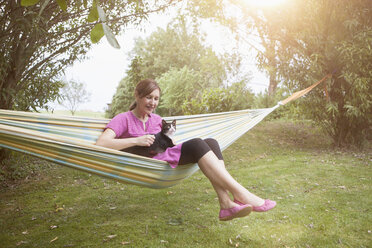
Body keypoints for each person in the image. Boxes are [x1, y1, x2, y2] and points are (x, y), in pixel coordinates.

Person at [96, 79, 276, 221]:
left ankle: (226, 203)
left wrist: (170, 141)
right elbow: (101, 144)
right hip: (144, 162)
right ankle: (241, 193)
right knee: (197, 143)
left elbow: (165, 141)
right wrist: (137, 139)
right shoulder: (123, 119)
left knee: (211, 142)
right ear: (137, 95)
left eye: (156, 98)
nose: (152, 103)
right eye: (148, 97)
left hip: (164, 157)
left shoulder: (157, 119)